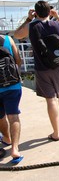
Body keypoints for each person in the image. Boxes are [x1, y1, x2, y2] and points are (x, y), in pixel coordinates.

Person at [14, 0, 59, 141]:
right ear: (49, 11)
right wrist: (58, 16)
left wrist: (29, 18)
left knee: (51, 100)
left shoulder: (31, 26)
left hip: (42, 68)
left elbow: (16, 35)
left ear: (35, 12)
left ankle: (56, 133)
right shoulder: (58, 24)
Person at [0, 34, 23, 164]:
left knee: (1, 116)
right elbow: (18, 60)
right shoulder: (8, 40)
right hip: (12, 85)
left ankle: (7, 138)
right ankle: (15, 149)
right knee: (13, 116)